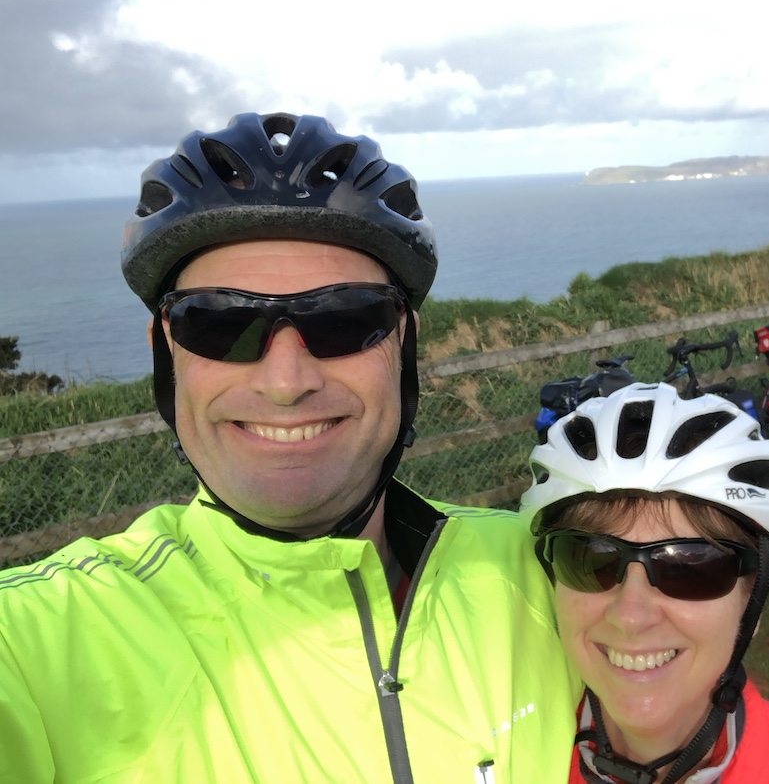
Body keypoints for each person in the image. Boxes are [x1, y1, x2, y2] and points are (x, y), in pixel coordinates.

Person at [0, 112, 580, 783]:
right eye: (221, 322)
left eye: (343, 317)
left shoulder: (558, 575)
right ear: (166, 354)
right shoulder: (40, 640)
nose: (285, 382)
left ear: (404, 345)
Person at [520, 382, 769, 784]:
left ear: (754, 603)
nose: (631, 616)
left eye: (690, 567)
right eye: (591, 559)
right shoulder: (498, 746)